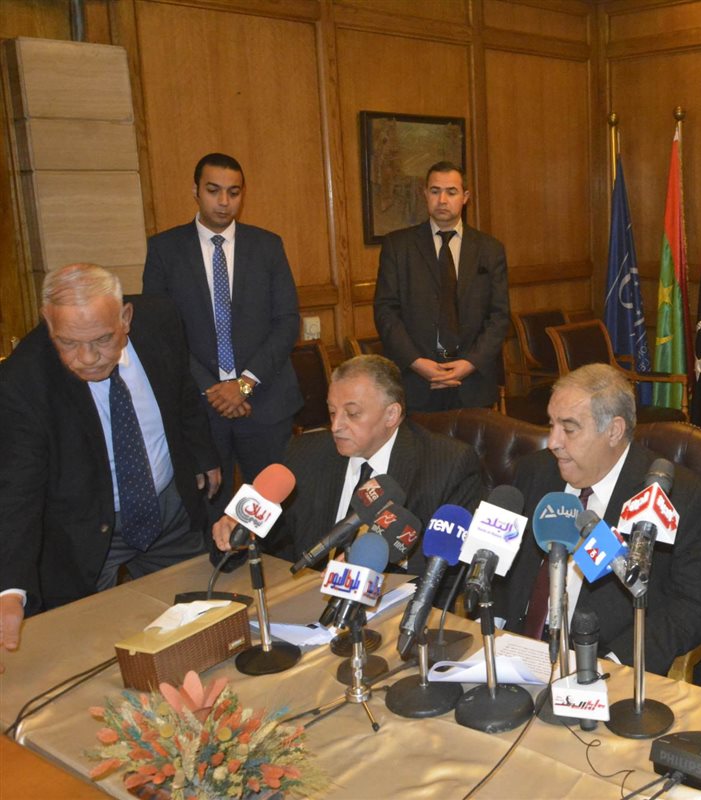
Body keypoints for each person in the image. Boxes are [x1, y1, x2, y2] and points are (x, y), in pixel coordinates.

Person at [0, 264, 219, 663]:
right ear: (48, 322)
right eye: (68, 343)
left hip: (167, 506)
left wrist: (202, 454)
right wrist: (10, 590)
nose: (87, 359)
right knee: (88, 648)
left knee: (199, 623)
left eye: (103, 339)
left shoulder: (161, 319)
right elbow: (17, 488)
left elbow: (182, 390)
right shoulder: (23, 379)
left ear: (126, 318)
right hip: (83, 526)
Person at [494, 364, 701, 675]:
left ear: (614, 431)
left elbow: (694, 608)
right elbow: (501, 562)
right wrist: (494, 628)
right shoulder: (534, 471)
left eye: (569, 429)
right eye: (551, 424)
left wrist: (615, 663)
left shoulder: (679, 498)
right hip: (513, 649)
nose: (553, 442)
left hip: (601, 661)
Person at [213, 354, 482, 576]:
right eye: (332, 412)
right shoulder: (304, 453)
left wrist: (374, 564)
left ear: (391, 415)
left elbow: (453, 569)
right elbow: (273, 544)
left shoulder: (447, 464)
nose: (336, 426)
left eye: (352, 414)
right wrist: (238, 537)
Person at [143, 152, 302, 524]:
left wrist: (242, 386)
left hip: (265, 402)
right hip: (201, 408)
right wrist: (214, 389)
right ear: (195, 190)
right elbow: (161, 331)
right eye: (213, 190)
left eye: (234, 192)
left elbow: (286, 322)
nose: (224, 201)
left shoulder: (267, 246)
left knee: (271, 515)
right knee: (210, 512)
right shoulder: (165, 250)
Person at [373, 161, 510, 413]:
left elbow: (499, 316)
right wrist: (417, 362)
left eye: (451, 192)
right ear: (425, 194)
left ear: (465, 197)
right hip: (416, 382)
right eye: (435, 191)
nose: (442, 200)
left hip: (473, 383)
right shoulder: (398, 246)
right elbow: (386, 313)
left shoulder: (490, 250)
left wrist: (470, 363)